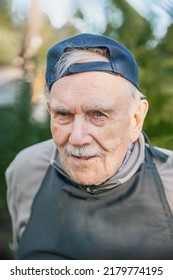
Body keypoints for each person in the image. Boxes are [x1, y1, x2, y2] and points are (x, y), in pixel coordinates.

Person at [5, 33, 173, 260]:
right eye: (63, 114)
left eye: (98, 114)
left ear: (135, 119)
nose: (77, 137)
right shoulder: (26, 169)